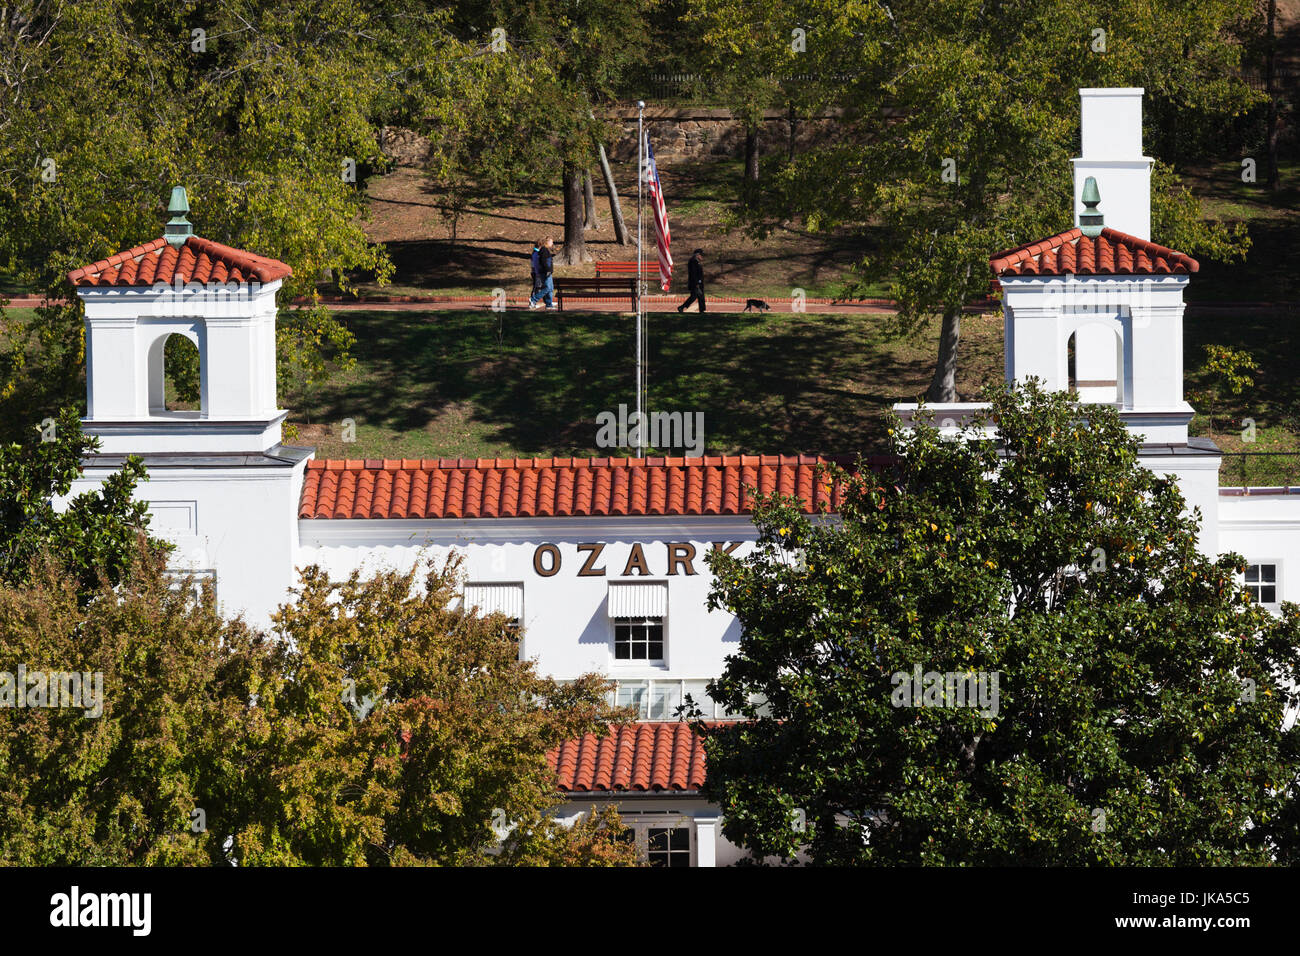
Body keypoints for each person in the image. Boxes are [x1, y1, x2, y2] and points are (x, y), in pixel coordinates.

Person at [529, 237, 556, 310]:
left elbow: (548, 262)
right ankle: (533, 299)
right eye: (551, 242)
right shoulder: (544, 250)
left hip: (548, 272)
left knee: (550, 288)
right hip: (545, 272)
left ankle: (549, 304)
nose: (552, 243)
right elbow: (544, 262)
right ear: (547, 242)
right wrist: (547, 270)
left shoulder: (546, 250)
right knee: (547, 288)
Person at [677, 249, 705, 313]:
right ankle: (682, 307)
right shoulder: (693, 261)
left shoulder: (696, 261)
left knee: (700, 296)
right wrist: (697, 283)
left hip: (699, 282)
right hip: (695, 283)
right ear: (697, 255)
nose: (702, 256)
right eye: (701, 255)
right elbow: (693, 273)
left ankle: (702, 310)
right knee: (694, 296)